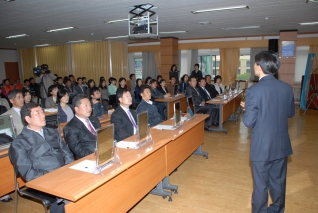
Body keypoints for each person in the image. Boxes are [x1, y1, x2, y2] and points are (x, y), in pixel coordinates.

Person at [240, 51, 295, 213]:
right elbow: (290, 113)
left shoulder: (253, 91)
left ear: (260, 67)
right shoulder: (286, 88)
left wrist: (248, 109)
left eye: (255, 63)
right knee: (278, 182)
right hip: (281, 145)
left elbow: (248, 122)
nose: (254, 66)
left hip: (262, 147)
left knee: (261, 185)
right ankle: (277, 210)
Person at [9, 102, 74, 213]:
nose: (43, 115)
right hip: (44, 179)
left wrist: (68, 168)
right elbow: (29, 173)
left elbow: (66, 153)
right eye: (37, 113)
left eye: (42, 111)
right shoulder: (19, 143)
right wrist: (54, 176)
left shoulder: (52, 132)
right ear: (28, 119)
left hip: (64, 173)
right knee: (71, 195)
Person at [63, 94, 101, 159]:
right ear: (77, 109)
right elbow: (79, 151)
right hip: (89, 158)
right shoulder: (70, 128)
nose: (89, 108)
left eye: (90, 105)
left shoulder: (94, 119)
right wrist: (96, 155)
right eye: (85, 106)